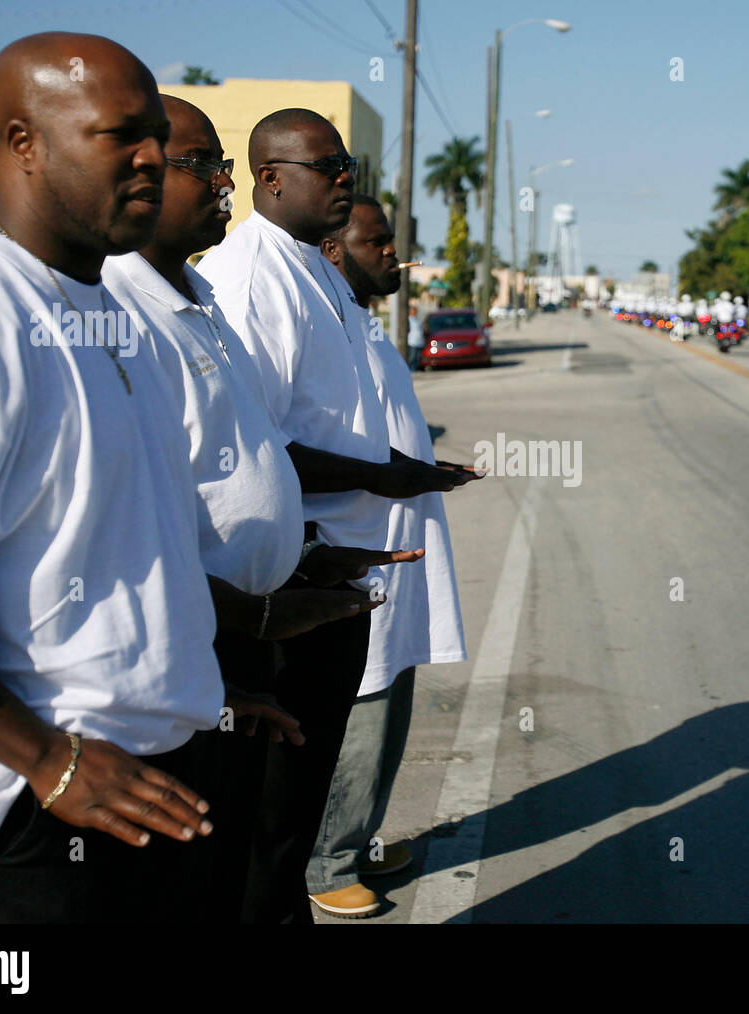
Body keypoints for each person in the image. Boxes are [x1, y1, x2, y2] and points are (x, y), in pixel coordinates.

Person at [0, 32, 245, 925]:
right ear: (20, 143)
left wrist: (201, 682)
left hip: (155, 785)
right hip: (25, 822)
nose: (156, 157)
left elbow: (125, 545)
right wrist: (51, 762)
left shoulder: (113, 312)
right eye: (122, 135)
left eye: (158, 133)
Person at [102, 97, 419, 919]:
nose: (224, 182)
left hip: (266, 613)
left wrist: (304, 557)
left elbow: (243, 457)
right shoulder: (116, 312)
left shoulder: (203, 293)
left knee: (270, 843)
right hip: (207, 642)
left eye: (224, 165)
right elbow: (116, 524)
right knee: (229, 863)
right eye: (203, 164)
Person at [197, 107, 474, 924]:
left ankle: (313, 875)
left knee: (297, 799)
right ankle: (316, 874)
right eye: (330, 165)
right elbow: (262, 443)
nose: (347, 177)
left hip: (338, 563)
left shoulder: (312, 269)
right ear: (270, 179)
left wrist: (405, 471)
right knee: (272, 816)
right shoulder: (252, 278)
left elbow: (331, 414)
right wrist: (384, 478)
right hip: (292, 570)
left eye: (347, 163)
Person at [310, 194, 478, 916]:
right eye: (377, 243)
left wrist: (425, 470)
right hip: (356, 550)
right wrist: (390, 476)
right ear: (333, 250)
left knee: (391, 708)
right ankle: (327, 865)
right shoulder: (318, 325)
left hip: (400, 545)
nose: (395, 255)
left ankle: (363, 838)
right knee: (361, 715)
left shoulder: (364, 326)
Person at [407, 303, 425, 370]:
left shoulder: (417, 320)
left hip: (419, 342)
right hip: (412, 342)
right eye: (414, 310)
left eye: (416, 310)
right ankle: (411, 370)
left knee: (417, 359)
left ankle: (415, 370)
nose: (415, 312)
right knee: (412, 358)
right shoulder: (409, 319)